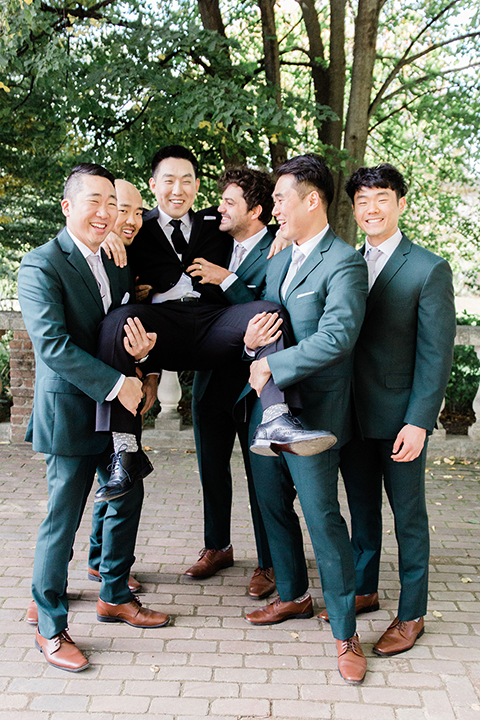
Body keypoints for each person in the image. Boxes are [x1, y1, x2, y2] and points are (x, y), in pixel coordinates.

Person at [94, 145, 335, 503]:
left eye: (187, 181)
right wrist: (112, 233)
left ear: (196, 186)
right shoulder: (137, 228)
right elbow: (98, 230)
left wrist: (282, 233)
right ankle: (125, 449)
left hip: (212, 324)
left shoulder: (215, 221)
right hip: (166, 327)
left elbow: (254, 220)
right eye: (169, 181)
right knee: (116, 322)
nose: (178, 189)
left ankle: (277, 417)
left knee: (269, 310)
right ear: (153, 185)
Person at [18, 164, 170, 673]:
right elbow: (53, 345)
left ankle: (113, 593)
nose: (106, 213)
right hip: (71, 410)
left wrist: (142, 355)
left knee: (129, 493)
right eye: (94, 202)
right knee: (62, 519)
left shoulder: (118, 261)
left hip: (119, 413)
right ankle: (51, 626)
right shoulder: (41, 265)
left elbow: (125, 327)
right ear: (68, 207)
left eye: (113, 202)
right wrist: (117, 383)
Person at [318, 164, 456, 657]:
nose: (371, 208)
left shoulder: (428, 268)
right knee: (362, 511)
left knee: (409, 518)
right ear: (353, 210)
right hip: (351, 416)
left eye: (381, 198)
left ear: (400, 203)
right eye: (362, 201)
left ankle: (413, 613)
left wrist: (419, 421)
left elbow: (436, 355)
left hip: (400, 420)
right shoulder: (344, 262)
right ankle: (365, 588)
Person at [243, 154, 369, 685]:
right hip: (268, 412)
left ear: (312, 199)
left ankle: (345, 633)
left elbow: (338, 337)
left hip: (315, 418)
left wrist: (274, 361)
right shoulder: (278, 259)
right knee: (271, 505)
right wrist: (251, 342)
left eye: (279, 197)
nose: (272, 207)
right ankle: (293, 596)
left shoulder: (344, 262)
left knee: (323, 519)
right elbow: (263, 319)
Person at [185, 168, 279, 596]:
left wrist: (227, 279)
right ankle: (216, 546)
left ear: (256, 212)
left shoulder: (280, 248)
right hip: (210, 379)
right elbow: (165, 219)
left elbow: (268, 307)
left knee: (263, 473)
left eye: (230, 202)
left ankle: (269, 561)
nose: (219, 208)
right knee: (211, 469)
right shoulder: (214, 236)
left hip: (253, 383)